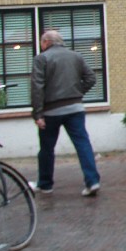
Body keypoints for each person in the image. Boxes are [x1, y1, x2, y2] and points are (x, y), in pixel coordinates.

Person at [30, 29, 101, 196]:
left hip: (51, 111)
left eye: (41, 42)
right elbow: (91, 78)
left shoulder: (41, 59)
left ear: (46, 42)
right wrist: (77, 93)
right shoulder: (76, 56)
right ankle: (92, 181)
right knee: (83, 144)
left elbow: (37, 87)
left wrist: (38, 114)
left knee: (47, 148)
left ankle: (45, 184)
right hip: (75, 108)